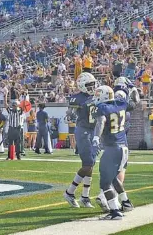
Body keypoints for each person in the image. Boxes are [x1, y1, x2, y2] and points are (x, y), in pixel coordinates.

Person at [92, 85, 133, 220]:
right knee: (114, 177)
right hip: (124, 148)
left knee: (105, 182)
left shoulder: (102, 108)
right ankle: (126, 202)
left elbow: (101, 122)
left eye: (98, 95)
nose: (96, 97)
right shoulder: (121, 103)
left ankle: (115, 211)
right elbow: (132, 104)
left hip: (112, 148)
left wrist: (96, 138)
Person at [64, 72, 97, 209]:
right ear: (82, 86)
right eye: (89, 85)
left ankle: (85, 196)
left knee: (90, 165)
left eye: (93, 84)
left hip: (94, 131)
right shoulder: (77, 98)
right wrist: (70, 114)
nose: (92, 87)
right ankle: (69, 192)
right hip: (83, 130)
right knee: (88, 164)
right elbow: (69, 113)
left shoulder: (96, 94)